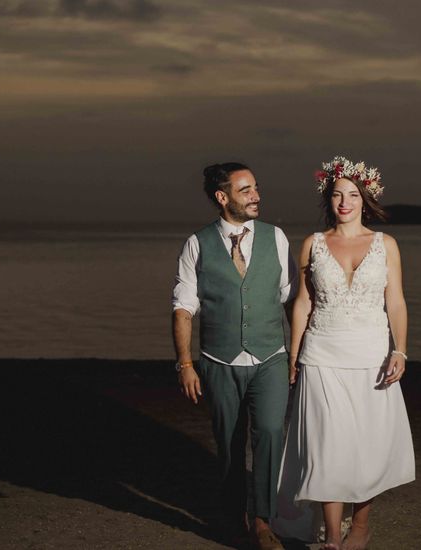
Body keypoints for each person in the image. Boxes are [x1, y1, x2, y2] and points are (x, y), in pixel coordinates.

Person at [275, 156, 415, 550]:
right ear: (328, 199)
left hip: (372, 356)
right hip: (321, 355)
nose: (344, 202)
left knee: (368, 446)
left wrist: (400, 351)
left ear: (365, 198)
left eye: (353, 194)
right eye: (337, 194)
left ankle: (361, 526)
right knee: (326, 446)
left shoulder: (386, 245)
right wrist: (294, 353)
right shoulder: (313, 244)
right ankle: (333, 538)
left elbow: (397, 302)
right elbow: (302, 303)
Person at [173, 162, 296, 550]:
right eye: (246, 190)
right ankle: (233, 515)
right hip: (219, 361)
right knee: (227, 442)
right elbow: (182, 308)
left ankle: (261, 520)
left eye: (257, 187)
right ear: (222, 197)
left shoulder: (276, 238)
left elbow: (292, 299)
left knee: (271, 434)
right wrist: (186, 363)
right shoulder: (197, 243)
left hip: (271, 357)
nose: (257, 195)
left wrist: (297, 352)